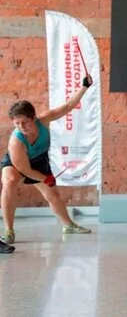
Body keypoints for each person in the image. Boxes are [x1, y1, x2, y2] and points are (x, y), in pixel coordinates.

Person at [0, 77, 94, 245]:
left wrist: (84, 87)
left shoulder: (44, 120)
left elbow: (67, 107)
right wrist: (46, 178)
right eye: (17, 123)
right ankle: (9, 231)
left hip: (38, 160)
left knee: (52, 195)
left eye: (25, 122)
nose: (21, 127)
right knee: (10, 181)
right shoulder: (16, 142)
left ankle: (68, 225)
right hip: (18, 163)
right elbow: (25, 170)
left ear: (33, 118)